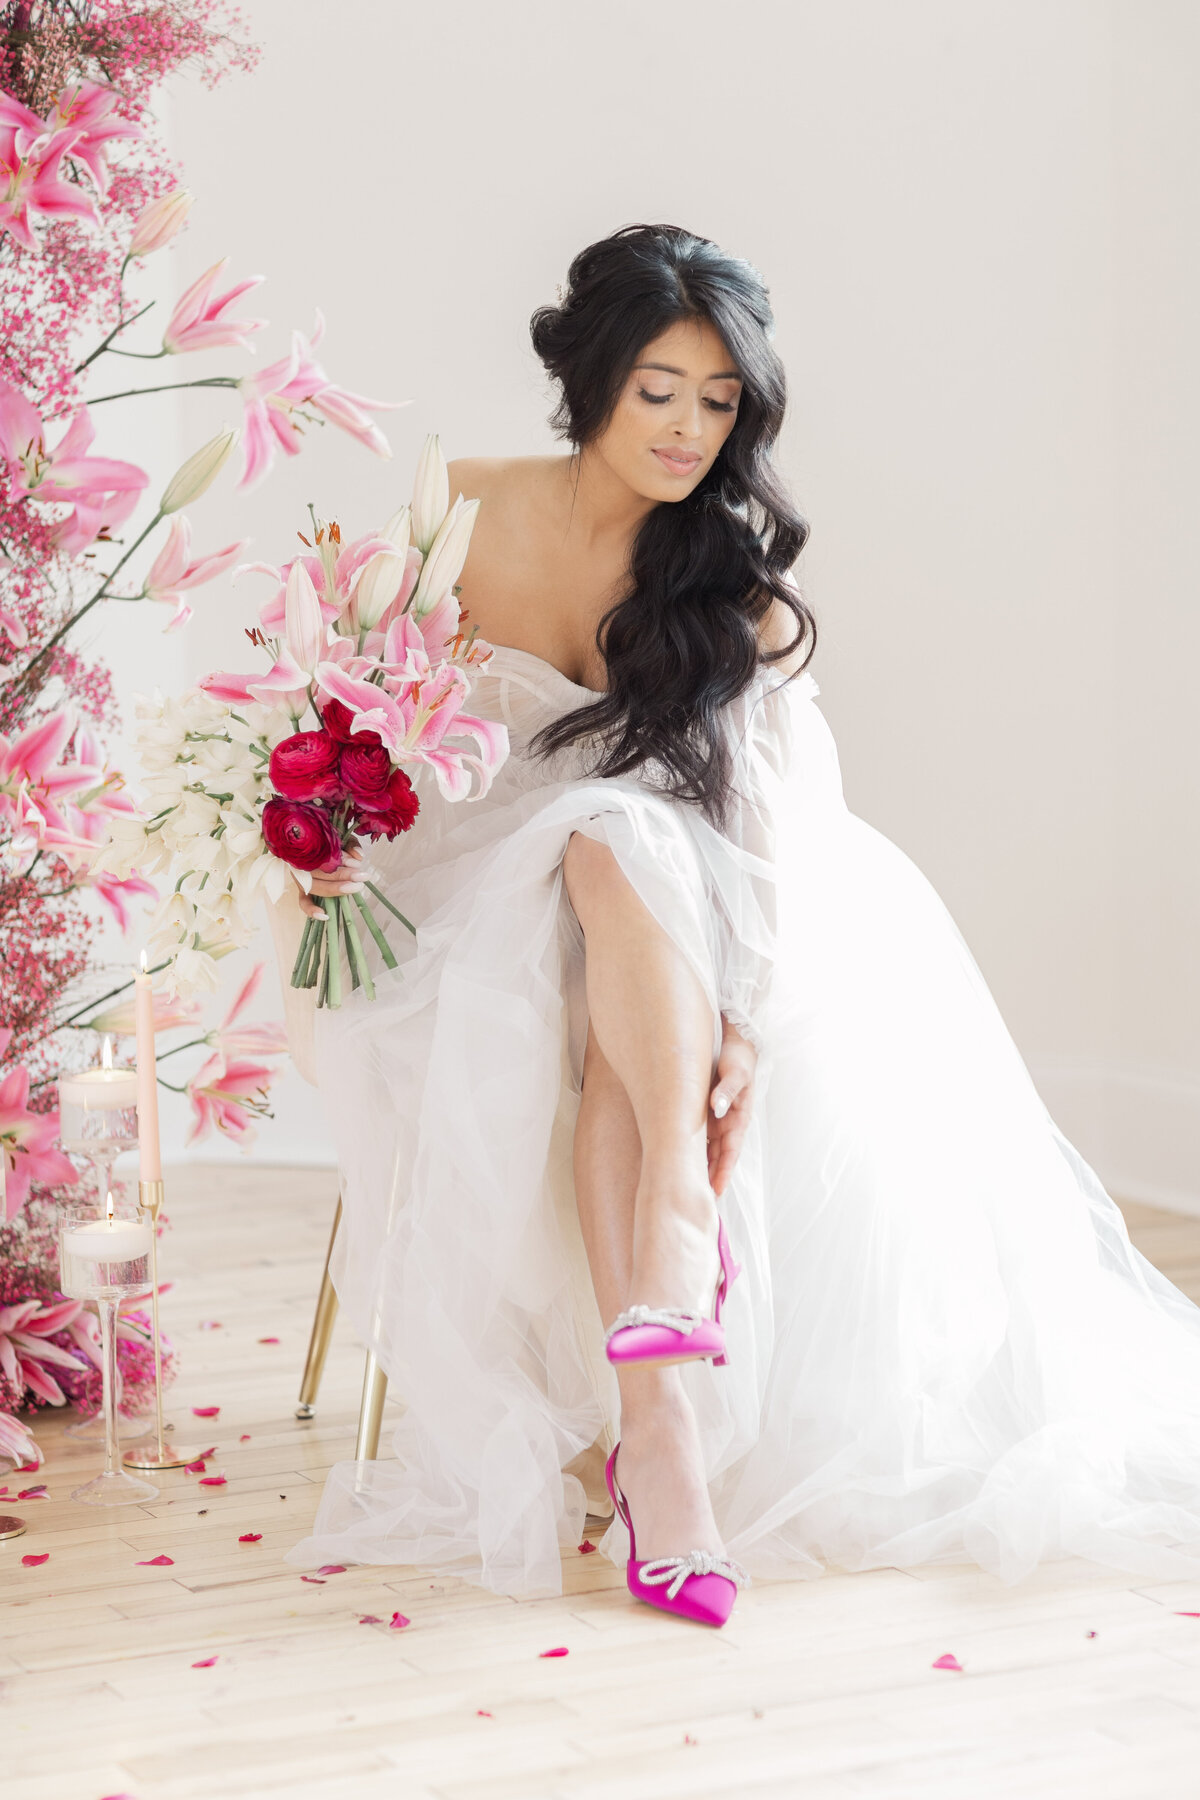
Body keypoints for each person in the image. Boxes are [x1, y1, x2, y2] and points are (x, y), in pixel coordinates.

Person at [285, 222, 1200, 1622]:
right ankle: (676, 1236)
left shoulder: (730, 592)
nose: (688, 430)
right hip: (460, 882)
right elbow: (338, 720)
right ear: (587, 377)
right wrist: (321, 833)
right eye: (659, 388)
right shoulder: (449, 507)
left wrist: (751, 1018)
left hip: (677, 915)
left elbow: (764, 835)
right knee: (600, 847)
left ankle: (658, 1420)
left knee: (617, 853)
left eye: (720, 402)